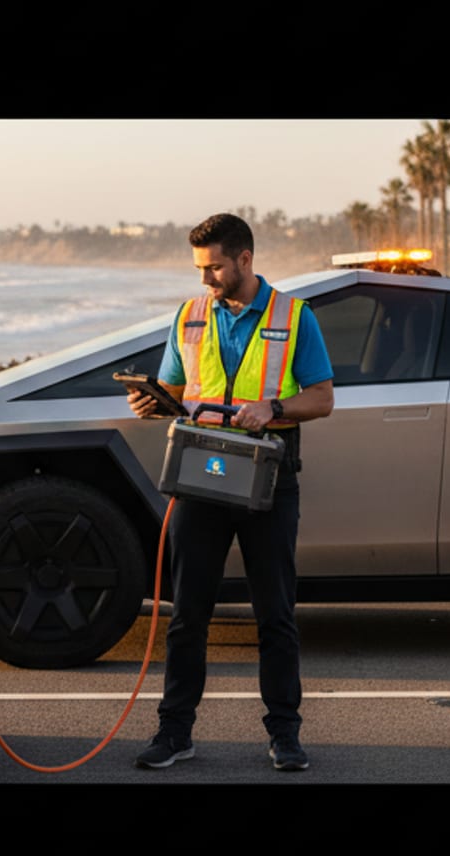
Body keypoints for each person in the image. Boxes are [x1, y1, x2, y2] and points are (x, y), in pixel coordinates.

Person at [126, 212, 334, 772]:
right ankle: (175, 733)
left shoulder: (295, 317)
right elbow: (176, 386)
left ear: (245, 259)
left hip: (268, 476)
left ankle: (285, 735)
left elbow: (323, 398)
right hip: (202, 474)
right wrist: (154, 402)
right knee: (187, 613)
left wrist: (275, 409)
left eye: (214, 267)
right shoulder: (190, 316)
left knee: (275, 615)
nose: (205, 279)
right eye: (200, 268)